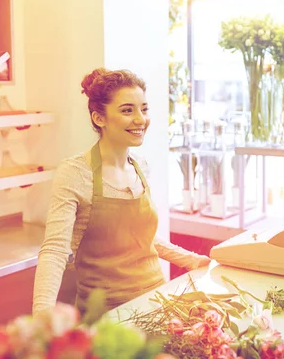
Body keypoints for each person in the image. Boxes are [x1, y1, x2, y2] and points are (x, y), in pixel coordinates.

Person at [33, 68, 211, 316]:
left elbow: (142, 239)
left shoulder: (140, 166)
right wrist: (42, 318)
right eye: (128, 110)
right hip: (106, 315)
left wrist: (194, 260)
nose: (141, 119)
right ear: (99, 118)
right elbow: (54, 250)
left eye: (144, 109)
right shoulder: (75, 172)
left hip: (157, 302)